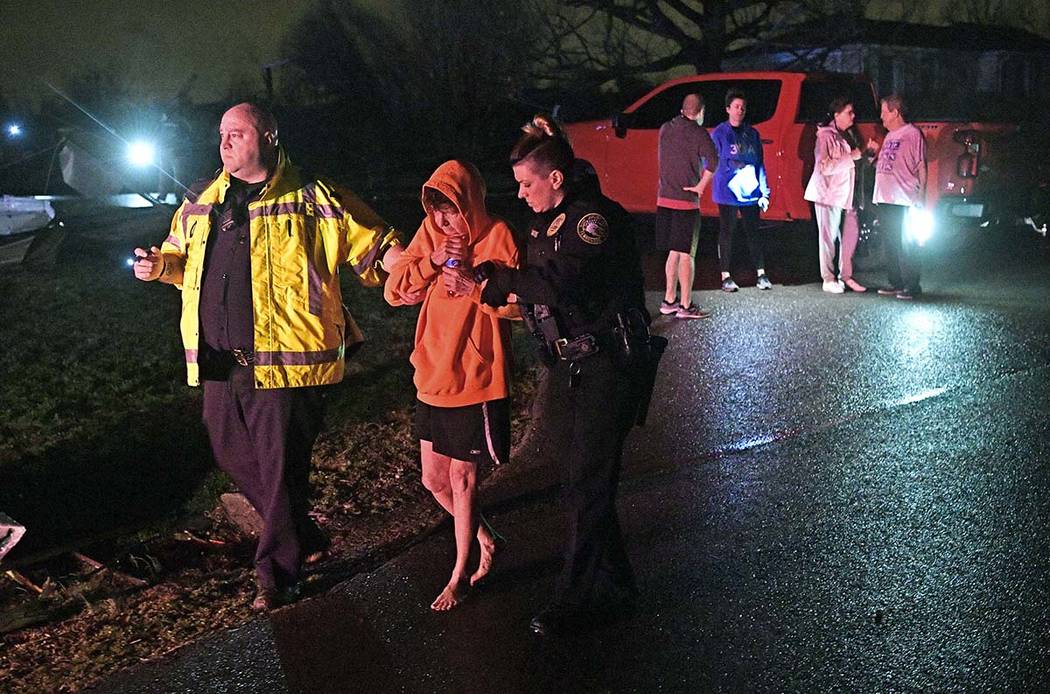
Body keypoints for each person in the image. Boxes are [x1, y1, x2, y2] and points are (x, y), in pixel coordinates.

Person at [132, 103, 403, 611]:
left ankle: (277, 575)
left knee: (281, 471)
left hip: (287, 362)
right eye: (221, 134)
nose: (225, 142)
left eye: (237, 132)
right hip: (217, 360)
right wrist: (157, 266)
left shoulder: (315, 196)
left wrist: (418, 267)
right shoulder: (202, 199)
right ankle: (304, 537)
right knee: (229, 452)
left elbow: (377, 245)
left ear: (270, 137)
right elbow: (179, 258)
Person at [480, 115, 652, 636]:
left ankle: (574, 599)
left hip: (609, 362)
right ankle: (619, 587)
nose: (521, 193)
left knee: (586, 482)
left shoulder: (592, 220)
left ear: (555, 178)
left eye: (527, 182)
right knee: (581, 480)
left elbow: (560, 284)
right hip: (570, 365)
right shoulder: (544, 218)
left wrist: (503, 280)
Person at [383, 160, 519, 611]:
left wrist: (478, 287)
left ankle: (460, 574)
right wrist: (432, 260)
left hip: (474, 378)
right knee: (432, 479)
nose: (443, 221)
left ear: (471, 205)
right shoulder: (430, 236)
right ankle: (485, 537)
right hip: (431, 373)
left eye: (452, 211)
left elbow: (519, 306)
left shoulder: (497, 234)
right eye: (436, 211)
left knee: (462, 480)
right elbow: (394, 288)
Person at [804, 98, 878, 293]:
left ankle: (846, 276)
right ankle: (828, 278)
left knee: (849, 237)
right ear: (836, 114)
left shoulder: (848, 135)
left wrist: (868, 154)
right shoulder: (825, 137)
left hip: (847, 195)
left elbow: (857, 164)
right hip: (828, 194)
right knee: (828, 238)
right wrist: (851, 156)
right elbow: (824, 166)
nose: (853, 116)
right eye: (849, 112)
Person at [655, 93, 719, 319]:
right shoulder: (698, 133)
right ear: (700, 112)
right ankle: (685, 305)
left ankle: (668, 300)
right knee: (686, 254)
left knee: (673, 251)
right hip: (685, 201)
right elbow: (713, 160)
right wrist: (701, 186)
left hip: (664, 198)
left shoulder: (665, 128)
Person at [711, 89, 772, 292]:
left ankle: (761, 274)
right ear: (728, 109)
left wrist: (764, 192)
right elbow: (711, 161)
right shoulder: (719, 133)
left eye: (743, 107)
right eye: (736, 107)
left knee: (753, 231)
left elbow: (759, 164)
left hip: (750, 192)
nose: (740, 111)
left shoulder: (752, 134)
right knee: (727, 231)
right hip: (727, 193)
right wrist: (732, 165)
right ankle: (726, 276)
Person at [872, 93, 927, 300]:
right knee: (891, 242)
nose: (882, 117)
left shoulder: (912, 134)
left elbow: (921, 164)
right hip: (886, 197)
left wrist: (921, 195)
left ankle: (911, 285)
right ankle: (895, 282)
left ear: (895, 112)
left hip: (904, 198)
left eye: (884, 112)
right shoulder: (889, 136)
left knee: (906, 243)